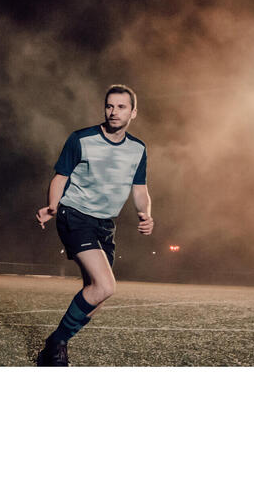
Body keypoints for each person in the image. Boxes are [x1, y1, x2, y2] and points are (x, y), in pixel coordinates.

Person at [35, 84, 153, 366]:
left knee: (96, 295)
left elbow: (139, 188)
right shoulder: (81, 139)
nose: (114, 112)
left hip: (105, 224)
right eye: (109, 106)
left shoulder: (138, 149)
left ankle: (55, 344)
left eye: (121, 107)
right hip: (75, 214)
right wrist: (53, 205)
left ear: (133, 112)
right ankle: (56, 345)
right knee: (105, 286)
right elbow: (60, 177)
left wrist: (145, 214)